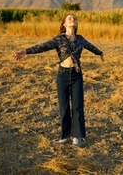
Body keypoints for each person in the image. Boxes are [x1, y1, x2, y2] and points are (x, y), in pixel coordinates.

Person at [13, 14, 104, 147]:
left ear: (76, 24)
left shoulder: (80, 39)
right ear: (64, 24)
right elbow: (42, 46)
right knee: (64, 106)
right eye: (69, 18)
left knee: (78, 107)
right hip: (62, 75)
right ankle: (65, 136)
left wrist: (100, 53)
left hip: (77, 75)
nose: (73, 19)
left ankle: (77, 137)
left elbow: (92, 47)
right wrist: (26, 51)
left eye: (74, 18)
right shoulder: (59, 39)